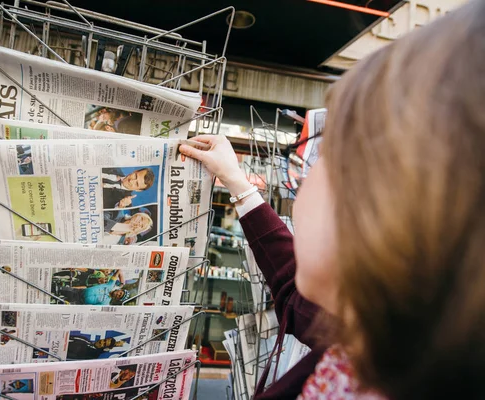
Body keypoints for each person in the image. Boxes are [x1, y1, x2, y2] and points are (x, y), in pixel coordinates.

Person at [180, 2, 485, 398]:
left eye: (330, 153)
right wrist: (238, 183)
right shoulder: (373, 346)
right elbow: (291, 290)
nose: (303, 181)